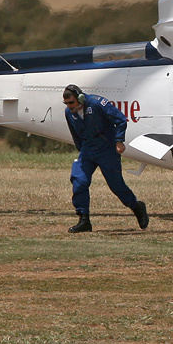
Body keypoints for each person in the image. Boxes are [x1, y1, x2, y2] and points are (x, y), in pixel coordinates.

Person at [63, 84, 149, 233]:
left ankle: (136, 206)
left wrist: (119, 140)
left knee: (117, 186)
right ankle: (84, 220)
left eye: (71, 102)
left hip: (106, 149)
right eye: (67, 104)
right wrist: (81, 149)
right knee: (79, 180)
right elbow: (74, 133)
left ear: (80, 98)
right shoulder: (69, 113)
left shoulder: (97, 104)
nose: (70, 106)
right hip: (88, 150)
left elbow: (120, 119)